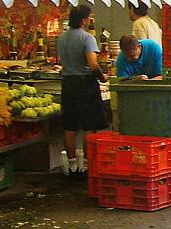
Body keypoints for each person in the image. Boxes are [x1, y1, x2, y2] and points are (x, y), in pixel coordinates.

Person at [57, 5, 109, 175]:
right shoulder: (87, 38)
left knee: (69, 125)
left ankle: (72, 164)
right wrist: (102, 78)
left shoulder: (62, 38)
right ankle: (87, 164)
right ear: (83, 20)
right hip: (85, 84)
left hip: (68, 83)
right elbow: (93, 64)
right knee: (89, 125)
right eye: (88, 18)